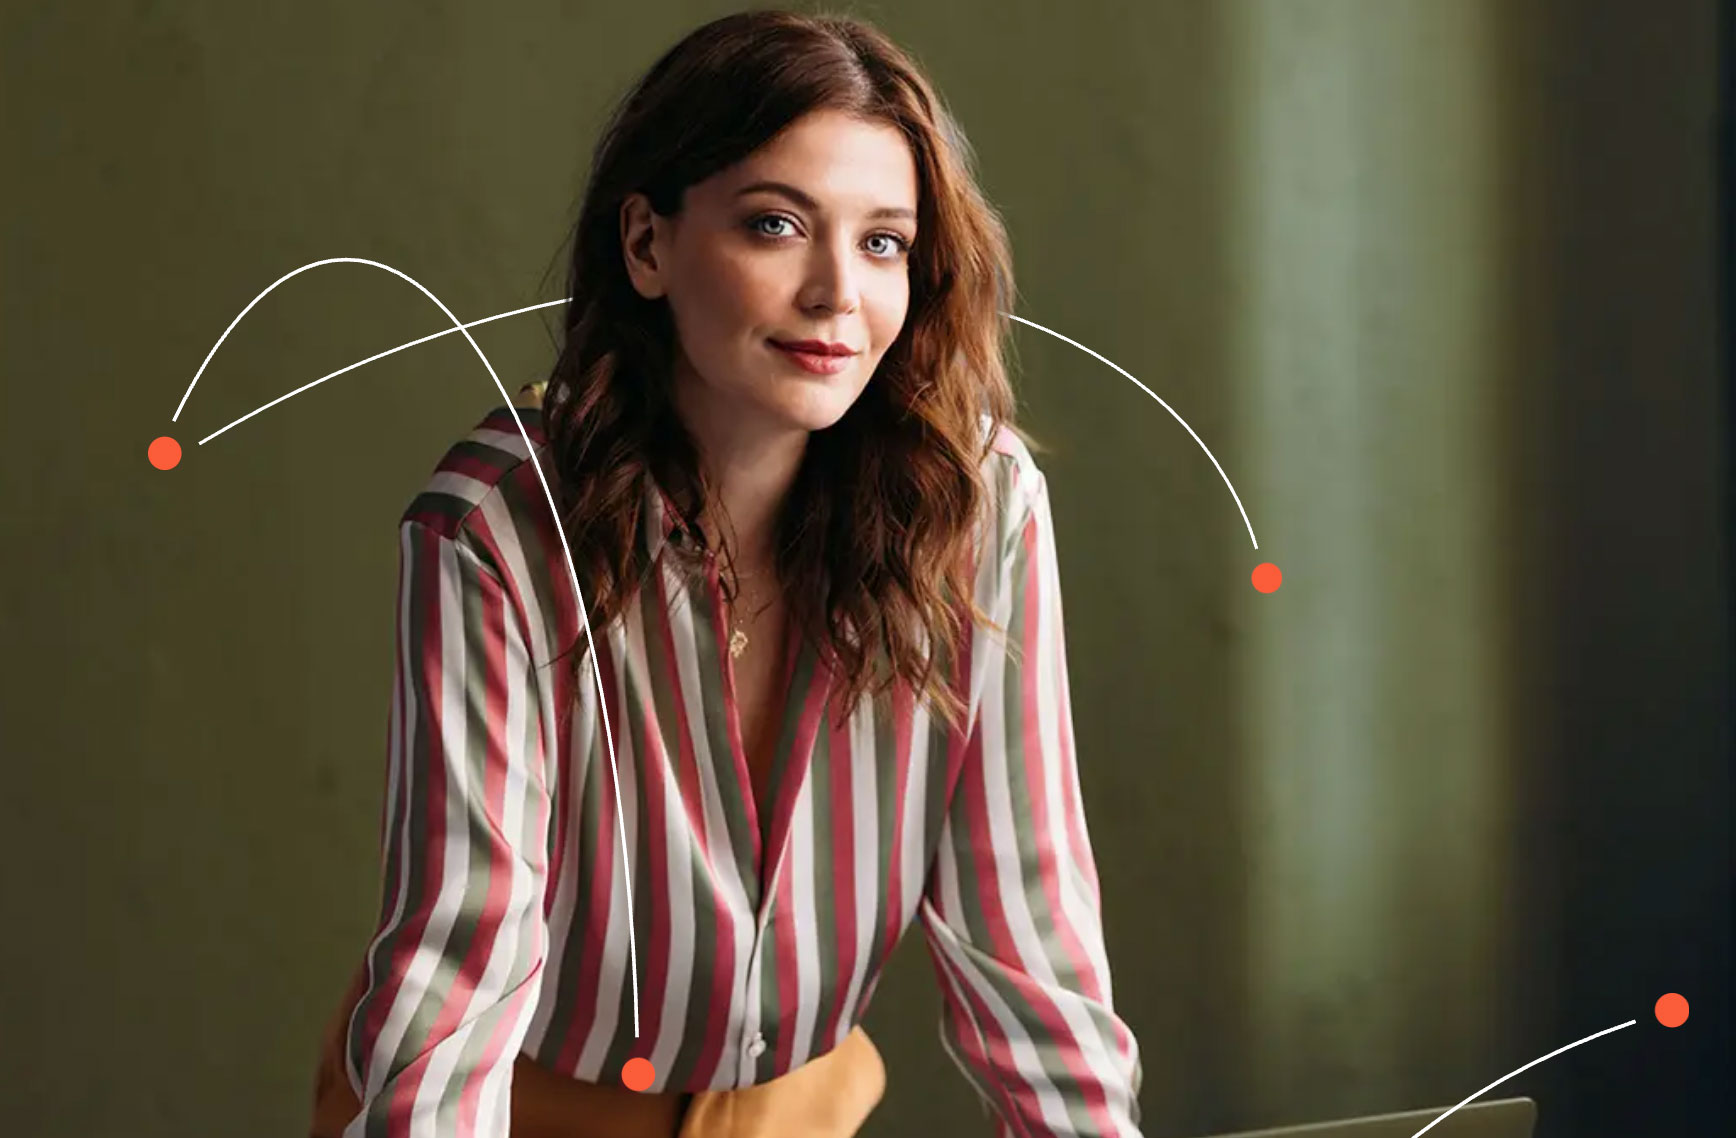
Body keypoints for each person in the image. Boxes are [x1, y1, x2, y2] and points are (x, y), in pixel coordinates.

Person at [310, 9, 1143, 1137]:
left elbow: (1029, 942)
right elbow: (457, 975)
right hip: (524, 1109)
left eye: (882, 242)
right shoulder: (497, 527)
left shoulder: (978, 510)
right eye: (774, 225)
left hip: (797, 1110)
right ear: (647, 244)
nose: (836, 294)